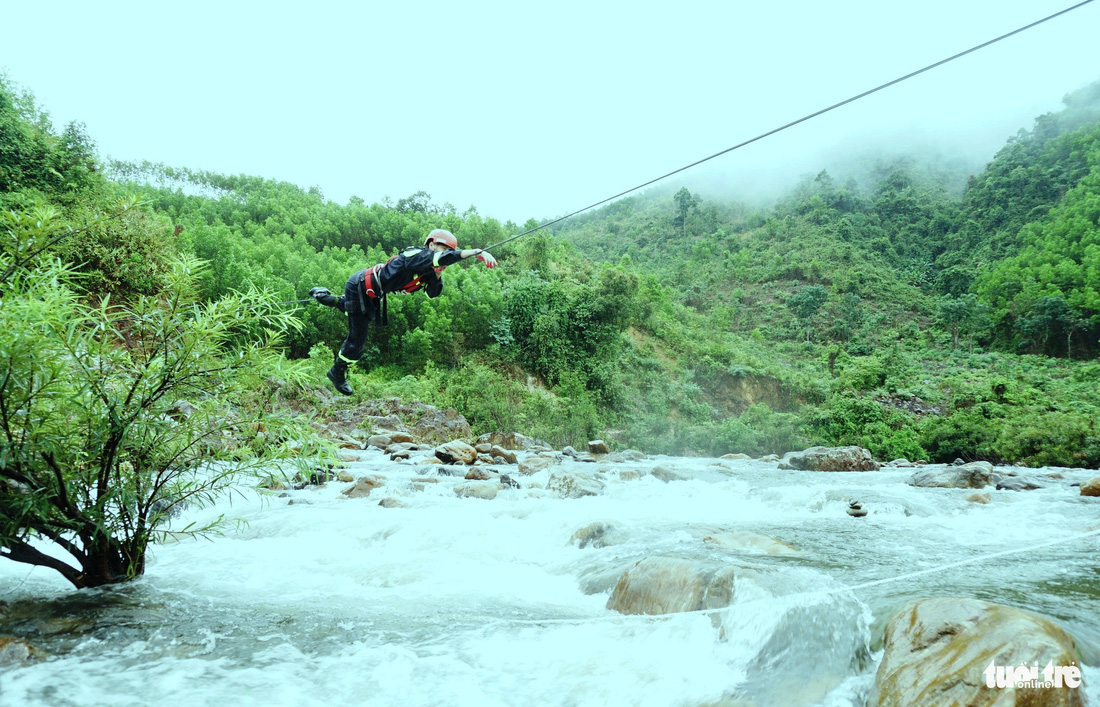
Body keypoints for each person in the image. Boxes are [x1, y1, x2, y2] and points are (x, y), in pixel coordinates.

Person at [309, 228, 497, 395]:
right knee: (357, 341)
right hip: (359, 285)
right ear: (431, 244)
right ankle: (337, 371)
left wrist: (438, 273)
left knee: (359, 312)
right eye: (445, 249)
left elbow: (433, 293)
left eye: (450, 252)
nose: (448, 254)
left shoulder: (430, 268)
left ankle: (325, 297)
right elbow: (440, 258)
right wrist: (476, 252)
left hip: (372, 294)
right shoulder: (416, 255)